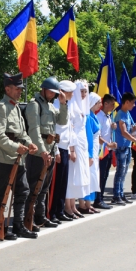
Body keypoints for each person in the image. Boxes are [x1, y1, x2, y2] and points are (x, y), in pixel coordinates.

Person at [0, 73, 38, 239]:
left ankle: (18, 226)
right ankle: (1, 227)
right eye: (17, 89)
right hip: (5, 158)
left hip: (19, 157)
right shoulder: (1, 108)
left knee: (23, 191)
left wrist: (29, 142)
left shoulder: (16, 106)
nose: (20, 91)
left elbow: (22, 132)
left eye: (20, 89)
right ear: (7, 89)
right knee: (2, 194)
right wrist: (16, 147)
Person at [24, 77, 68, 231]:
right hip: (38, 152)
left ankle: (40, 217)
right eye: (51, 91)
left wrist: (63, 104)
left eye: (55, 92)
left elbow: (62, 121)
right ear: (43, 89)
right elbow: (34, 131)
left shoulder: (50, 106)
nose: (53, 94)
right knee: (34, 186)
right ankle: (28, 217)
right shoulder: (34, 105)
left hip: (49, 149)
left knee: (44, 187)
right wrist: (42, 151)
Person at [112, 92, 136, 205]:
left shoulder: (127, 114)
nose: (134, 105)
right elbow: (123, 132)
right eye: (132, 103)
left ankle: (120, 193)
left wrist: (133, 129)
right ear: (126, 102)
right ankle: (116, 195)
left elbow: (128, 131)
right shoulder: (121, 114)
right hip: (121, 146)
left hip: (127, 146)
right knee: (120, 171)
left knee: (124, 171)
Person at [51, 80, 76, 222]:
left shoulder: (66, 106)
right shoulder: (55, 106)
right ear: (63, 92)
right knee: (56, 182)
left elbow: (70, 130)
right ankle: (52, 211)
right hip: (58, 147)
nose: (72, 94)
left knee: (63, 182)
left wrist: (71, 148)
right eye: (70, 92)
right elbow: (55, 130)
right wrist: (56, 151)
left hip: (65, 146)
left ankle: (60, 210)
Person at [66, 81, 90, 217]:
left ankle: (73, 205)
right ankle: (67, 206)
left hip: (82, 144)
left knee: (78, 176)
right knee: (71, 175)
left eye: (85, 91)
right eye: (81, 91)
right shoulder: (71, 106)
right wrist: (72, 149)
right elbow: (70, 130)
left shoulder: (82, 108)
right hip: (73, 144)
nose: (83, 94)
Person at [79, 90, 102, 214]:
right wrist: (90, 154)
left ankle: (89, 203)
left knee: (93, 176)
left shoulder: (94, 116)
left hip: (95, 148)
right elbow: (88, 136)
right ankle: (84, 204)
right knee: (89, 175)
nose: (100, 105)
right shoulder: (88, 117)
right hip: (90, 149)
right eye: (98, 102)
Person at [93, 94, 117, 209]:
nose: (113, 106)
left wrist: (113, 127)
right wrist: (108, 144)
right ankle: (98, 199)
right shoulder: (99, 117)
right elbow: (97, 136)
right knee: (101, 175)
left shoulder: (108, 117)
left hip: (108, 150)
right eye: (112, 104)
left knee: (105, 175)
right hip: (102, 150)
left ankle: (100, 197)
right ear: (105, 103)